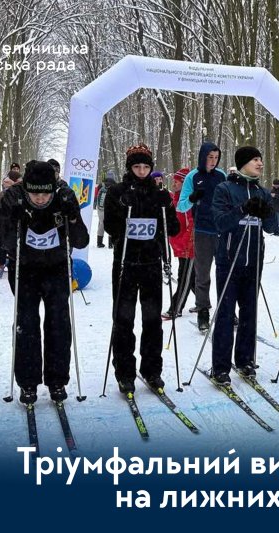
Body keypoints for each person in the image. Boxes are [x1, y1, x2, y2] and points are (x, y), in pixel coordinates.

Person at [0, 160, 87, 404]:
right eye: (34, 193)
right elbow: (2, 239)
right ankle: (28, 382)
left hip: (56, 269)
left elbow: (81, 240)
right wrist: (11, 223)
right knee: (26, 324)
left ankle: (57, 380)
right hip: (25, 269)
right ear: (26, 188)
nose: (40, 198)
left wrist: (72, 217)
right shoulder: (13, 197)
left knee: (59, 323)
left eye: (45, 193)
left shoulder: (64, 195)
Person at [103, 144, 179, 393]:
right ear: (129, 167)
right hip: (125, 263)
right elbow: (110, 227)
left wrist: (167, 209)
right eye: (137, 166)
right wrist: (124, 215)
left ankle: (152, 369)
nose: (142, 171)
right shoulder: (118, 191)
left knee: (152, 320)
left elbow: (174, 228)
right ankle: (124, 372)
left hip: (151, 263)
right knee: (123, 319)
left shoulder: (159, 193)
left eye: (146, 166)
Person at [210, 147, 277, 383]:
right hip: (229, 262)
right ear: (242, 164)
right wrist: (242, 209)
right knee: (226, 315)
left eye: (261, 159)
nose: (260, 163)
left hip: (253, 262)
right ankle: (220, 366)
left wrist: (270, 210)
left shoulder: (262, 192)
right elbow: (219, 223)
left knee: (250, 314)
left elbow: (274, 228)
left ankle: (245, 360)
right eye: (255, 160)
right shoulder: (225, 189)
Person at [176, 142, 226, 331]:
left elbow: (228, 200)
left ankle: (226, 309)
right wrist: (191, 198)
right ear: (203, 157)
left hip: (221, 230)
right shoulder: (192, 177)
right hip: (203, 231)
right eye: (209, 157)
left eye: (216, 158)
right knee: (202, 273)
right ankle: (203, 311)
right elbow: (181, 207)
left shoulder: (221, 176)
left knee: (224, 272)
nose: (213, 161)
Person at [164, 167, 195, 318]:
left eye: (177, 181)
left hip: (188, 247)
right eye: (174, 180)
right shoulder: (174, 198)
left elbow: (191, 226)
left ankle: (175, 308)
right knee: (193, 278)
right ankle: (204, 303)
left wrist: (187, 244)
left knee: (184, 278)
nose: (174, 183)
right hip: (178, 246)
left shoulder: (188, 200)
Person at [0, 167, 22, 278]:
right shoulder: (5, 193)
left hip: (13, 224)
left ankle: (15, 265)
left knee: (14, 246)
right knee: (3, 246)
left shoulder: (18, 190)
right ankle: (0, 267)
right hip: (4, 224)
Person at [96, 170, 116, 248]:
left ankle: (99, 243)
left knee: (101, 224)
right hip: (110, 208)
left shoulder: (101, 185)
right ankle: (111, 244)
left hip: (100, 208)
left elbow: (96, 195)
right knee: (111, 224)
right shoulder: (115, 185)